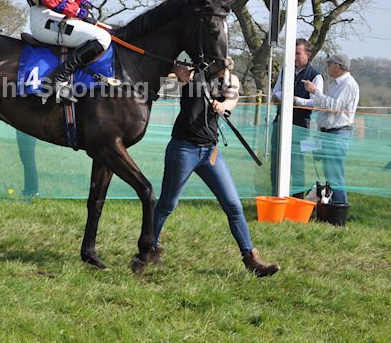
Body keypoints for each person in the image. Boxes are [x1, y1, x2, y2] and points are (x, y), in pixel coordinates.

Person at [153, 68, 281, 277]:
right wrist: (176, 69)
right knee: (168, 204)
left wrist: (224, 105)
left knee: (233, 205)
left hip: (210, 152)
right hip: (183, 149)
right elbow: (162, 72)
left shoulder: (230, 79)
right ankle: (148, 248)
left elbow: (232, 99)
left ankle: (251, 259)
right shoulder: (192, 74)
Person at [302, 52, 359, 204]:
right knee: (330, 174)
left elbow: (334, 106)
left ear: (337, 66)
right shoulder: (337, 84)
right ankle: (333, 207)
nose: (327, 66)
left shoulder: (348, 84)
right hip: (328, 133)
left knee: (335, 175)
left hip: (337, 134)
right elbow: (325, 105)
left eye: (329, 63)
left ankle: (340, 208)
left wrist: (315, 92)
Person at [270, 39, 323, 196]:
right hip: (279, 122)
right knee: (276, 163)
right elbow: (275, 93)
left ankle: (297, 199)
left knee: (297, 165)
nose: (294, 57)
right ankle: (276, 198)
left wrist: (296, 100)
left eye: (298, 54)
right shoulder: (285, 71)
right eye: (292, 53)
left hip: (300, 126)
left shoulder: (316, 76)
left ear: (308, 55)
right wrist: (281, 97)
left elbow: (316, 103)